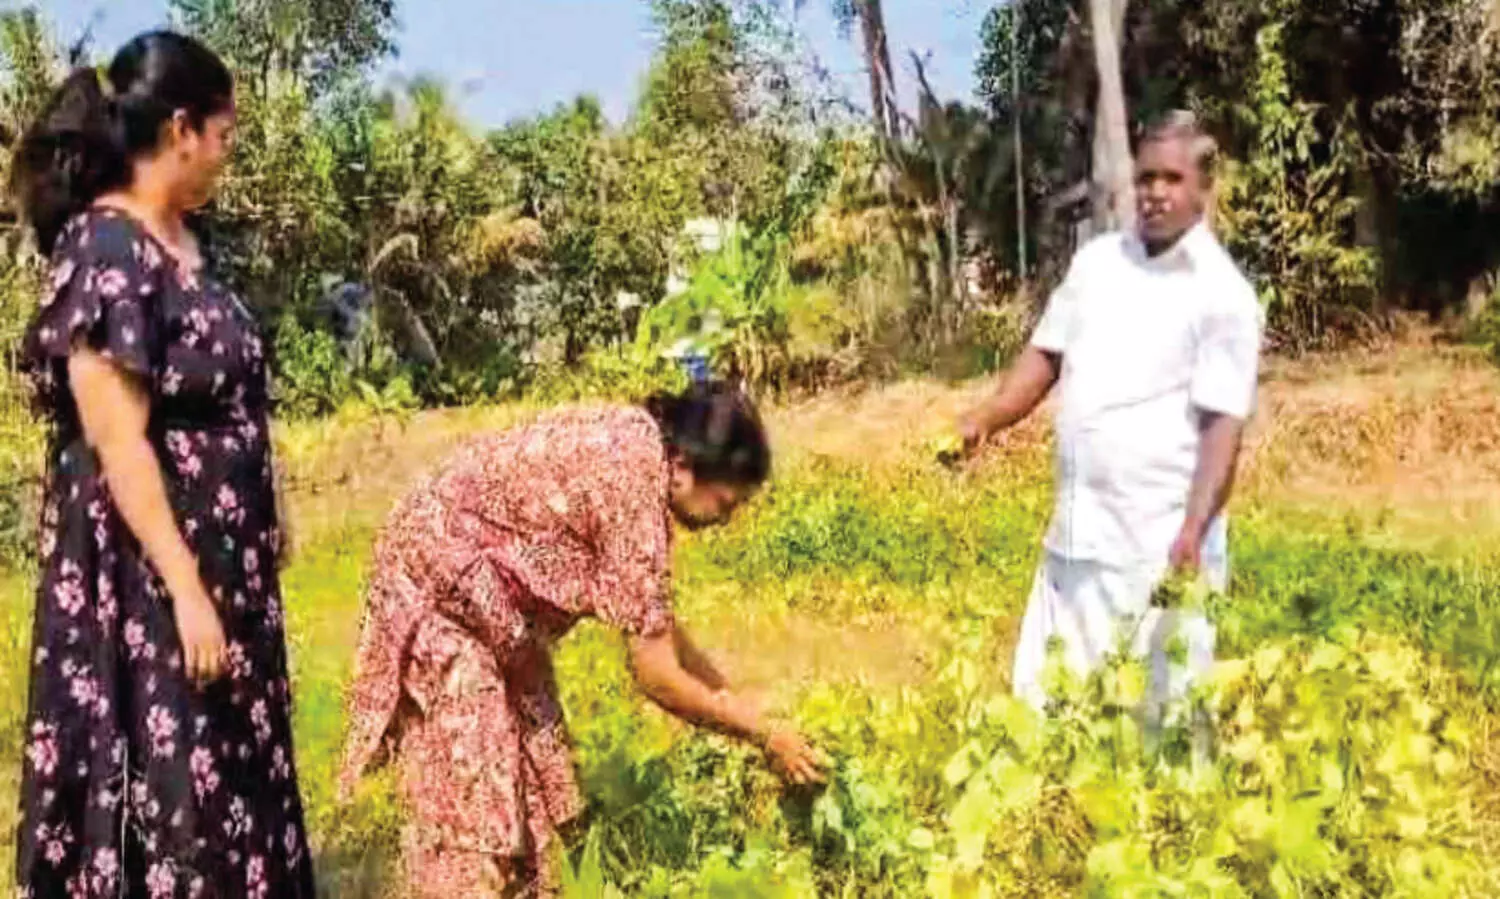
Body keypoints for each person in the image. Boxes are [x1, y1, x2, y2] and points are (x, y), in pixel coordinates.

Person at [11, 32, 316, 896]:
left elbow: (229, 402)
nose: (225, 155)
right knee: (166, 775)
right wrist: (184, 584)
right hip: (146, 586)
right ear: (181, 128)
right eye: (223, 135)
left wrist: (271, 505)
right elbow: (117, 439)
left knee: (228, 776)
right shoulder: (104, 251)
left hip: (224, 578)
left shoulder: (184, 244)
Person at [340, 383, 824, 897]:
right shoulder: (633, 482)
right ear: (683, 466)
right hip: (442, 597)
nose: (724, 520)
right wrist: (761, 734)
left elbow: (652, 616)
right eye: (725, 503)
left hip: (492, 613)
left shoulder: (640, 448)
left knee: (536, 816)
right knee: (479, 821)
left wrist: (742, 705)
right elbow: (656, 674)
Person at [957, 111, 1263, 714]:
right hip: (1078, 538)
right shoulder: (1097, 263)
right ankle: (1050, 809)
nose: (1154, 192)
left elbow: (1223, 430)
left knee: (1159, 719)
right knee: (1042, 706)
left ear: (1203, 186)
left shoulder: (1223, 296)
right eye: (1145, 177)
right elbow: (1047, 352)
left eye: (1171, 178)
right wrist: (988, 418)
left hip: (1157, 548)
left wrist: (1193, 533)